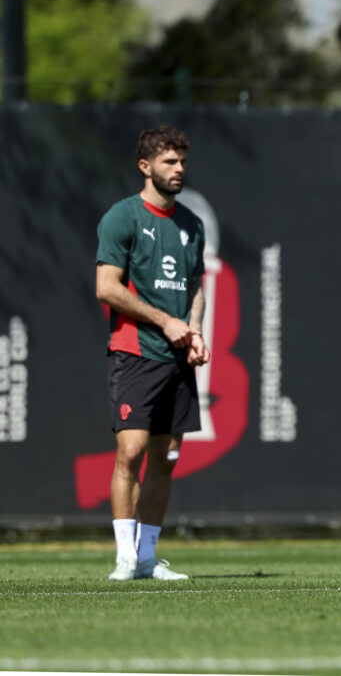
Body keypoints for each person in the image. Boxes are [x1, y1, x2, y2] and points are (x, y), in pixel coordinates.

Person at [95, 125, 210, 581]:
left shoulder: (191, 225)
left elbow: (196, 286)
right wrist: (165, 321)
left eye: (181, 161)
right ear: (145, 167)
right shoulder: (122, 218)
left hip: (179, 358)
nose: (178, 169)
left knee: (167, 457)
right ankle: (125, 556)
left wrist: (196, 329)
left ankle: (147, 558)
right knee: (133, 450)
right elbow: (106, 288)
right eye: (168, 161)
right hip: (135, 351)